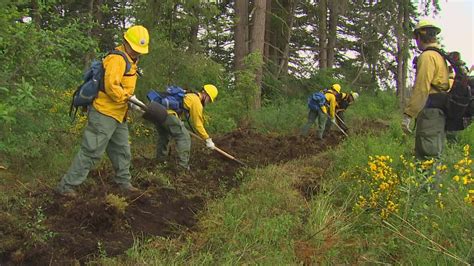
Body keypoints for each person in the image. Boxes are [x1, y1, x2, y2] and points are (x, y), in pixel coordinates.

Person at [56, 25, 150, 197]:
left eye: (139, 50)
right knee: (91, 151)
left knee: (122, 150)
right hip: (104, 113)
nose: (137, 52)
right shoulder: (117, 59)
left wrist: (131, 99)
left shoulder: (131, 61)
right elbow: (111, 86)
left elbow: (123, 85)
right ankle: (66, 186)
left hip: (119, 114)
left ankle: (123, 183)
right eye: (135, 49)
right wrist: (129, 99)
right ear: (125, 42)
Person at [401, 20, 449, 159]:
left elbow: (422, 88)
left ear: (420, 36)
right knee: (433, 154)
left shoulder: (428, 56)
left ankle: (429, 182)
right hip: (439, 113)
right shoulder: (440, 56)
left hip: (430, 113)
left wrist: (409, 114)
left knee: (427, 157)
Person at [156, 84, 218, 170]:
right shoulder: (196, 101)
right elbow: (198, 124)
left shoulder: (189, 95)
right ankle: (183, 166)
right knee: (184, 137)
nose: (208, 102)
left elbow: (179, 108)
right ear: (205, 94)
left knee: (164, 136)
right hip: (169, 115)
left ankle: (160, 161)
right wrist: (207, 139)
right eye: (209, 100)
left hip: (159, 113)